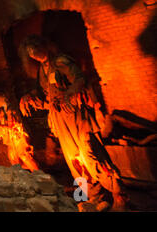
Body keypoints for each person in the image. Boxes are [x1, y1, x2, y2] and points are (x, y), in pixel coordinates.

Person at [18, 35, 127, 211]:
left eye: (33, 48)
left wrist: (70, 93)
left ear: (43, 45)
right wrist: (29, 97)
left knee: (91, 153)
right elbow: (47, 94)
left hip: (75, 114)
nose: (32, 53)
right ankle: (92, 197)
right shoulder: (41, 70)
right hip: (59, 118)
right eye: (28, 51)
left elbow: (79, 79)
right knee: (74, 160)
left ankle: (119, 195)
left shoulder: (61, 60)